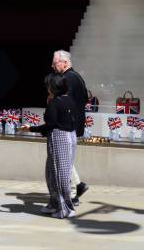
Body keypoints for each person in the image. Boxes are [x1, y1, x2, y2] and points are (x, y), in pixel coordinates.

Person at [20, 73, 77, 218]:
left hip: (59, 138)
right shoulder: (69, 100)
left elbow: (50, 124)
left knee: (58, 174)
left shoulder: (55, 102)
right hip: (70, 136)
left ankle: (64, 208)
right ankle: (54, 204)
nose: (47, 88)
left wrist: (30, 128)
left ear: (53, 87)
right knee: (53, 173)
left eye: (48, 85)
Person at [51, 50, 89, 205]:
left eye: (55, 63)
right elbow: (86, 98)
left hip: (67, 125)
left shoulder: (67, 78)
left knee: (64, 159)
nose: (52, 66)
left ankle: (73, 192)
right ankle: (78, 185)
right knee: (66, 158)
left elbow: (64, 102)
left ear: (65, 62)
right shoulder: (77, 77)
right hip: (75, 123)